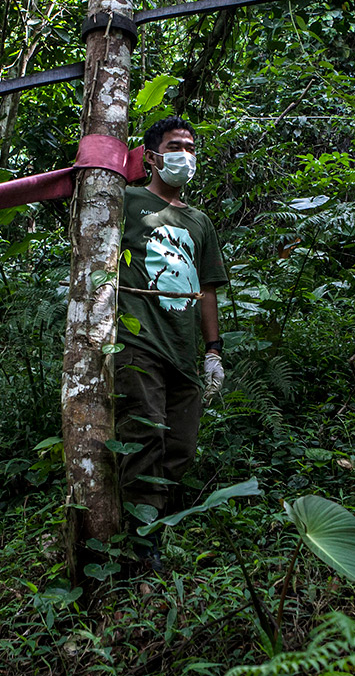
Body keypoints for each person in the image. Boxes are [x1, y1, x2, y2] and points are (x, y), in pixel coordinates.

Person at [115, 115, 228, 571]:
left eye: (191, 147)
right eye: (176, 146)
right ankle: (142, 549)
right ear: (154, 156)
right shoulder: (127, 201)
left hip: (184, 351)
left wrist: (214, 350)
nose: (185, 154)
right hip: (137, 341)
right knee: (143, 437)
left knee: (180, 446)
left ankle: (156, 524)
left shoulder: (199, 222)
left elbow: (207, 291)